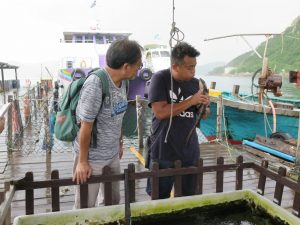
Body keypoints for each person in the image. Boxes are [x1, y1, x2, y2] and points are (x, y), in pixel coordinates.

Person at [72, 39, 143, 208]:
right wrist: (82, 161)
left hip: (112, 155)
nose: (139, 69)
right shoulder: (96, 84)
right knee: (85, 207)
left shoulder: (124, 82)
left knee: (112, 202)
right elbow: (85, 126)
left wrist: (119, 143)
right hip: (92, 158)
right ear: (126, 66)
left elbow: (117, 116)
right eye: (138, 65)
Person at [146, 42, 210, 199]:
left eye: (195, 66)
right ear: (175, 66)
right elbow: (160, 112)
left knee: (189, 198)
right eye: (189, 67)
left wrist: (204, 107)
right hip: (163, 150)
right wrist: (192, 101)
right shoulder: (159, 79)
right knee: (159, 199)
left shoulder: (196, 84)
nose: (194, 71)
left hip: (189, 151)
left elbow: (203, 115)